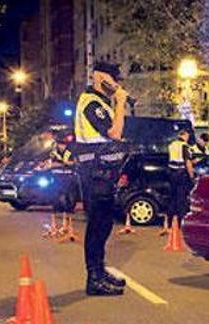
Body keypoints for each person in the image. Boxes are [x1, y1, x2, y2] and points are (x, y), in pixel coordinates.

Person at [72, 61, 130, 296]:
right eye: (113, 78)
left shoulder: (101, 103)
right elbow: (115, 133)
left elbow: (118, 134)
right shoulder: (91, 102)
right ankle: (94, 278)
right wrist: (121, 102)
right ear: (99, 77)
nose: (116, 83)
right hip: (94, 172)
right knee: (97, 224)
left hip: (103, 172)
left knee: (104, 223)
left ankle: (99, 270)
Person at [165, 128, 195, 237]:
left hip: (171, 173)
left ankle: (169, 224)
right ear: (185, 135)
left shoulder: (172, 145)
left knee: (172, 199)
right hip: (181, 174)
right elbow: (187, 162)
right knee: (181, 199)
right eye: (188, 135)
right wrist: (191, 176)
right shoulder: (184, 146)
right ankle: (182, 225)